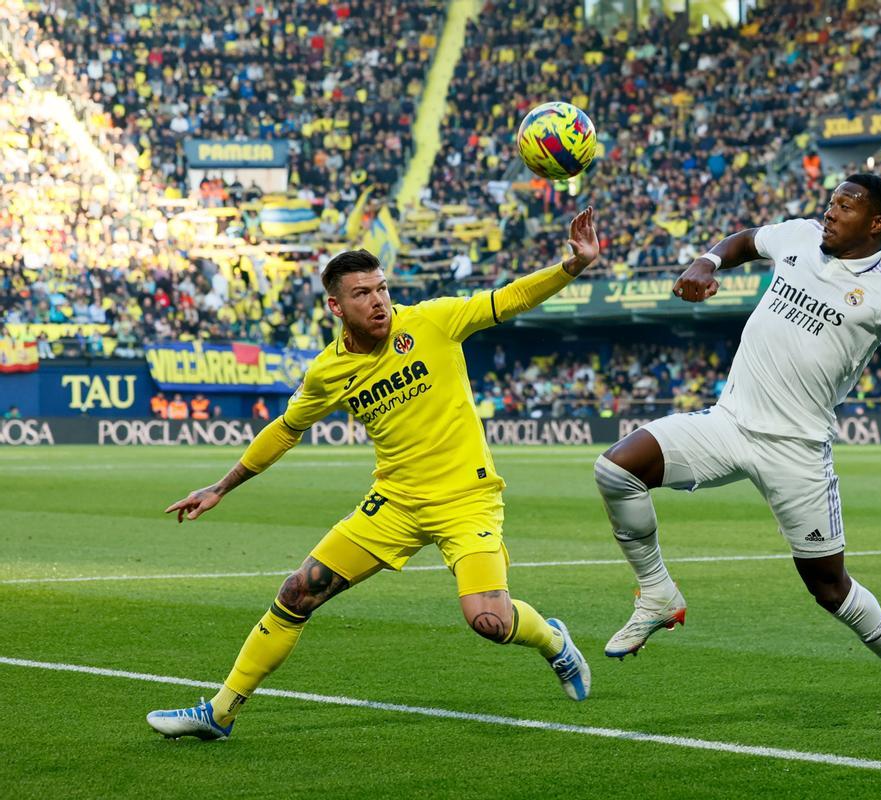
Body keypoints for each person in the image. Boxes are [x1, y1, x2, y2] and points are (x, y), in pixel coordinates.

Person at [146, 208, 600, 740]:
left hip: (465, 500)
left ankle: (553, 643)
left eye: (382, 288)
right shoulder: (328, 371)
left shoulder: (432, 320)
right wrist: (221, 486)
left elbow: (509, 299)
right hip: (395, 504)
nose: (378, 300)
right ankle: (219, 713)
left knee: (489, 622)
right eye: (362, 293)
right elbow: (286, 429)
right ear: (337, 306)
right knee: (297, 593)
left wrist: (572, 266)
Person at [593, 175, 881, 734]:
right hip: (729, 423)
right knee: (616, 469)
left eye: (846, 206)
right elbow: (745, 240)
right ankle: (657, 593)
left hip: (797, 451)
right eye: (832, 201)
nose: (831, 212)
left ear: (877, 223)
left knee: (829, 589)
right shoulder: (798, 235)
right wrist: (707, 262)